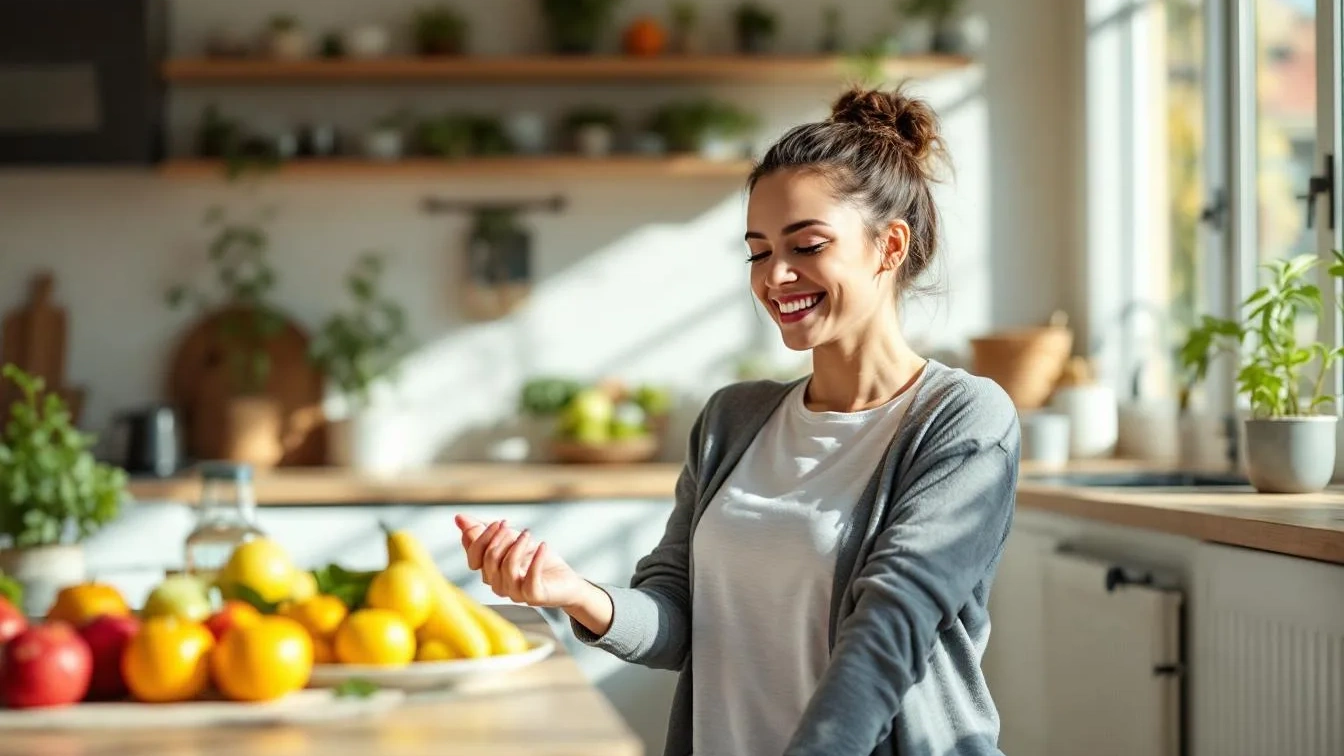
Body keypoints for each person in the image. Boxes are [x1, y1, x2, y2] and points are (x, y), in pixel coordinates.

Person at [455, 86, 1021, 756]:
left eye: (806, 245)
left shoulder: (963, 419)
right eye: (758, 251)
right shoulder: (732, 420)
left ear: (889, 246)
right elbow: (679, 619)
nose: (775, 276)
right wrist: (575, 593)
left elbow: (892, 628)